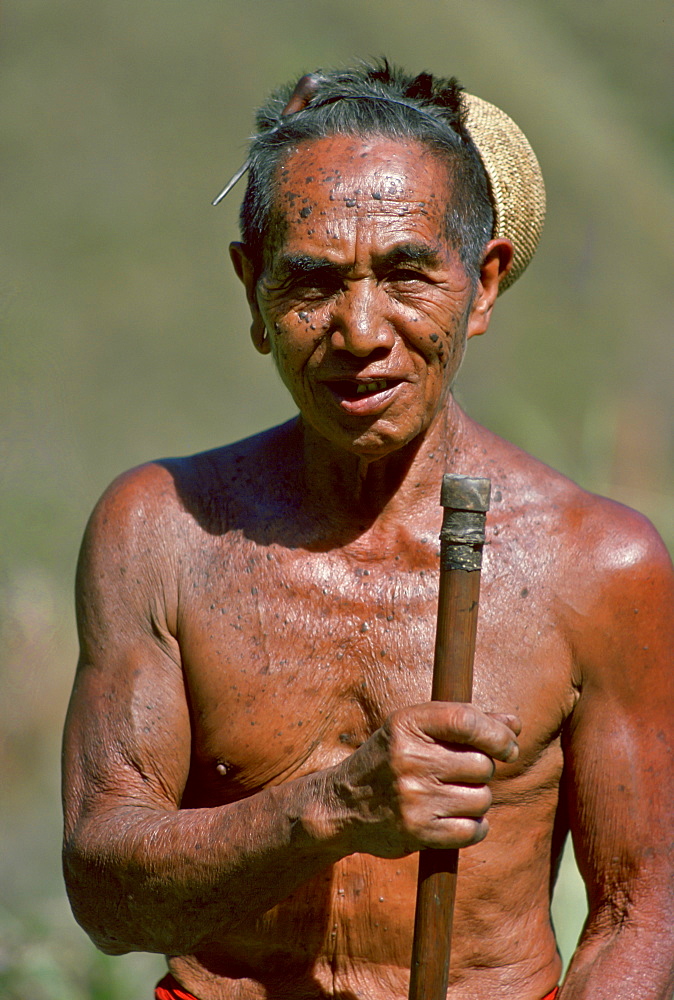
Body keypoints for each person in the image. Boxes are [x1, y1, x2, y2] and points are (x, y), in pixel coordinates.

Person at [62, 61, 674, 1000]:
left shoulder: (598, 564)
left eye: (405, 274)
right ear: (251, 290)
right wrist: (332, 808)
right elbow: (108, 903)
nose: (358, 330)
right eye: (311, 282)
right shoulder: (159, 532)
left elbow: (642, 916)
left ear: (484, 285)